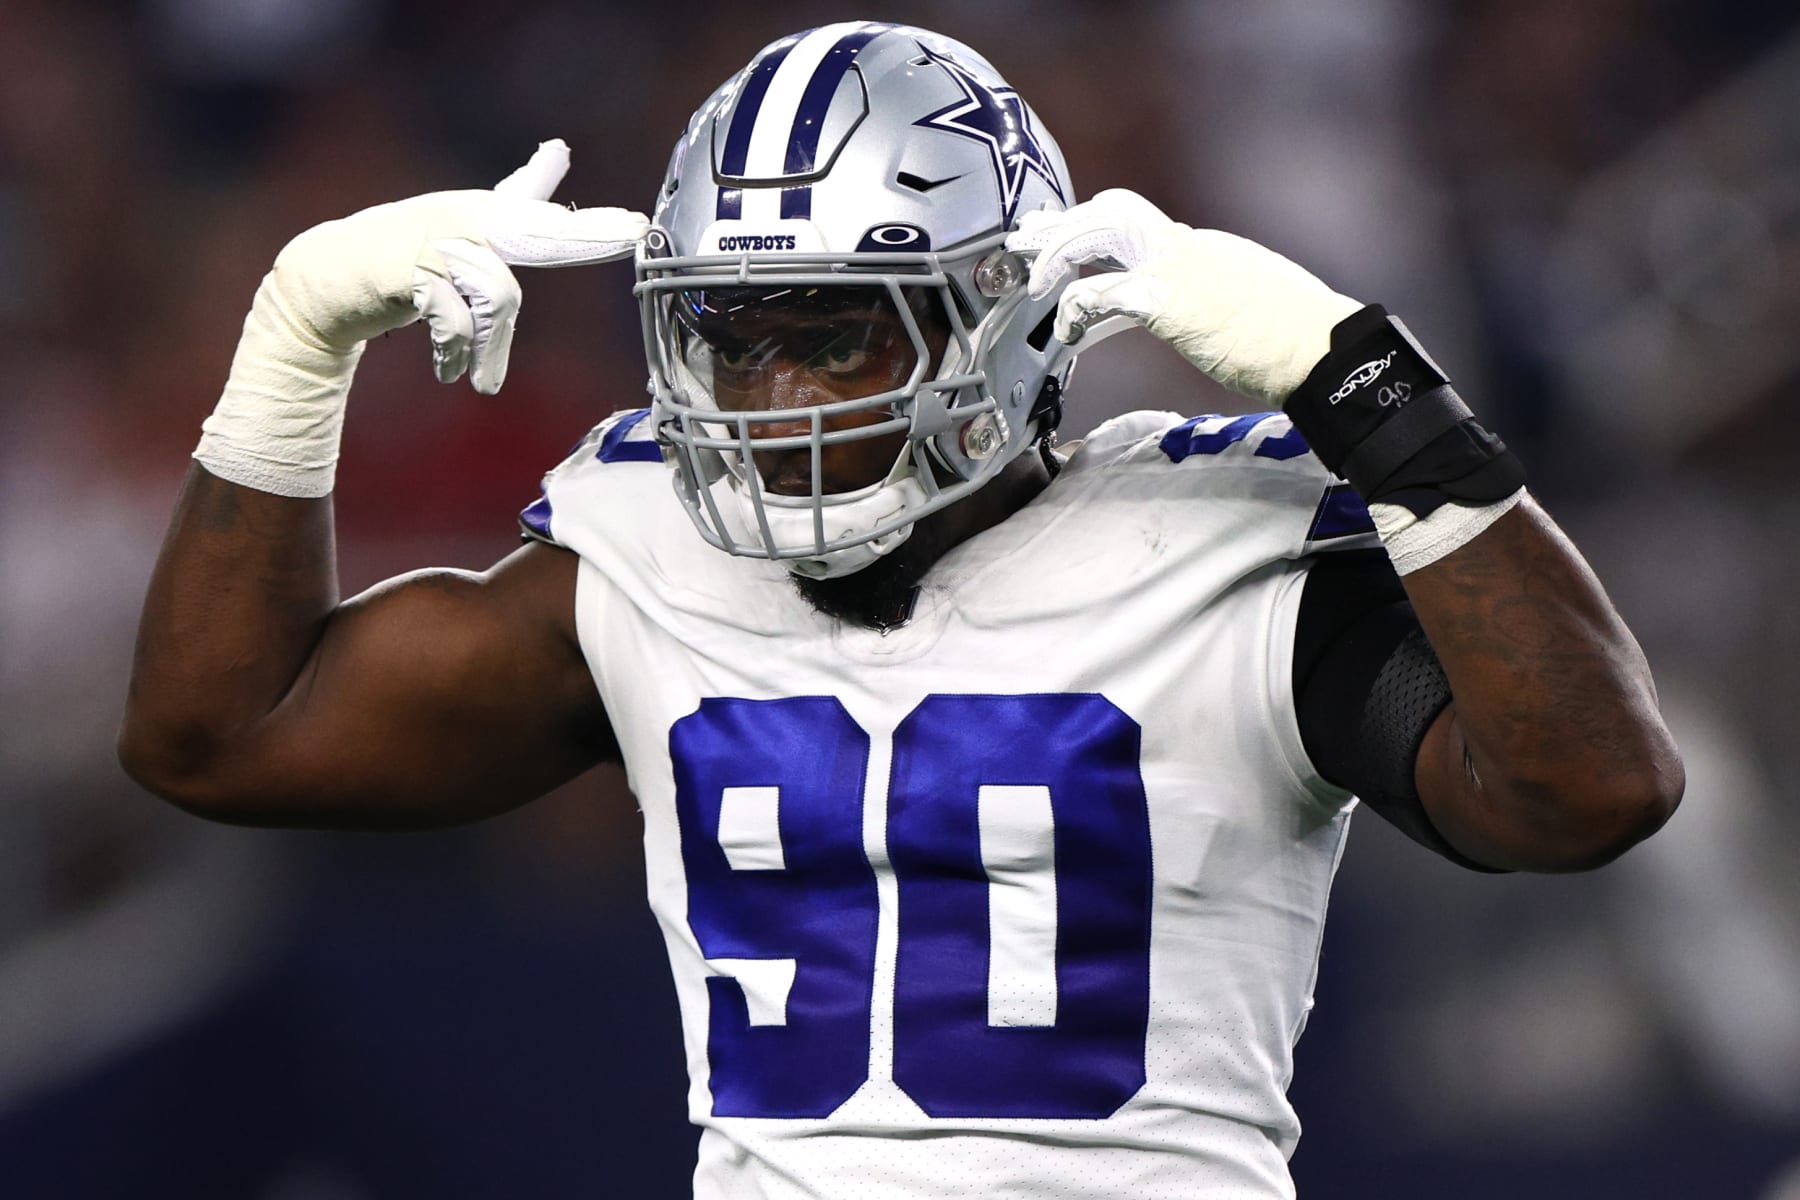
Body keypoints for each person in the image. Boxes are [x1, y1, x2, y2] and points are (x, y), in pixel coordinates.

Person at [119, 21, 1683, 1199]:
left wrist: (1370, 391)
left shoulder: (1222, 549)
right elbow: (225, 738)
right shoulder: (649, 555)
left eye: (834, 337)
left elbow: (1587, 790)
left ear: (1002, 327)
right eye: (731, 337)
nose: (770, 397)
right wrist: (294, 350)